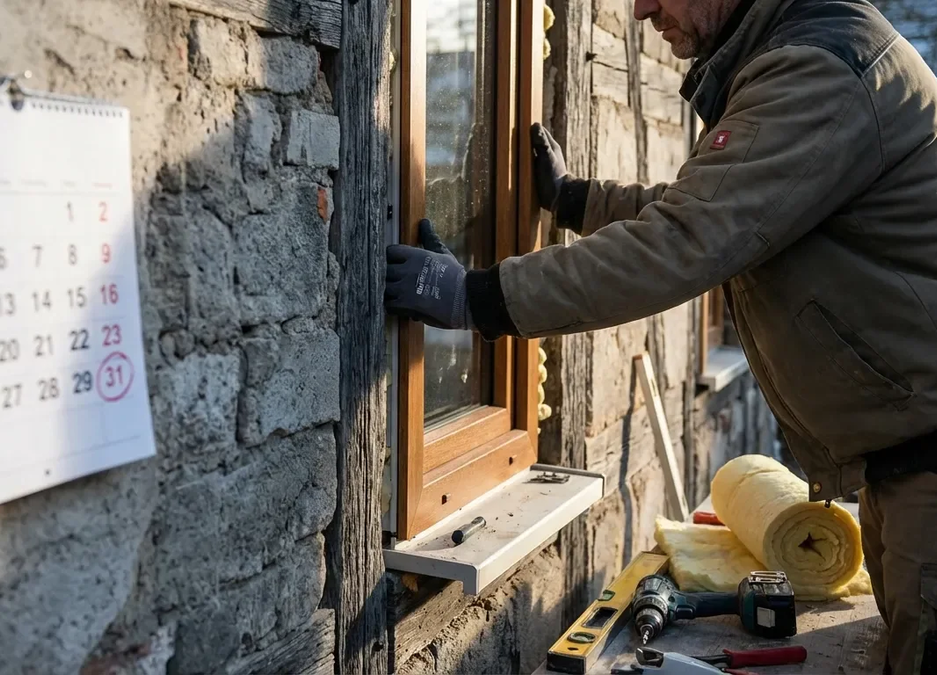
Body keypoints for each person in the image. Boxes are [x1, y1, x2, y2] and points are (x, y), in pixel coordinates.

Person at [384, 0, 937, 671]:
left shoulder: (820, 69)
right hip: (902, 466)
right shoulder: (810, 49)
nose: (643, 10)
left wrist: (475, 297)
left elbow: (689, 238)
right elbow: (711, 209)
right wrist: (575, 200)